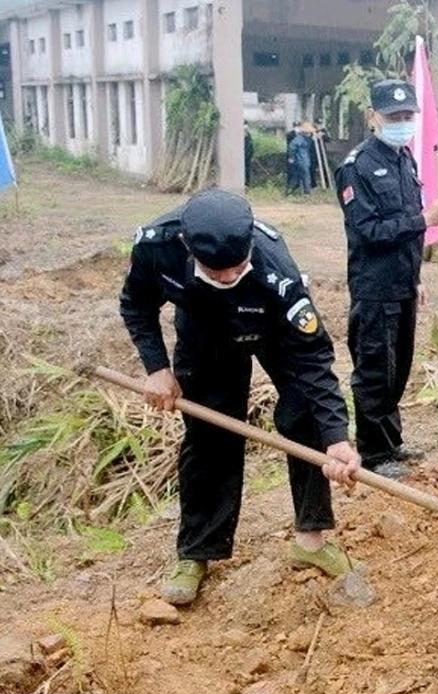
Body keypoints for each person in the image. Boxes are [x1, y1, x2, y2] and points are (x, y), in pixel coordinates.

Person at [119, 190, 361, 606]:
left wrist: (337, 436)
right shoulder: (158, 246)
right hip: (204, 334)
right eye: (218, 272)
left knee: (305, 416)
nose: (230, 277)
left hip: (271, 330)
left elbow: (313, 357)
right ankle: (197, 552)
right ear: (188, 249)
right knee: (210, 434)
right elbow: (136, 305)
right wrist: (157, 367)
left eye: (238, 267)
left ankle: (310, 539)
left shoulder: (276, 267)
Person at [334, 79, 438, 478]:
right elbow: (369, 231)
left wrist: (416, 276)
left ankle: (392, 443)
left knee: (398, 368)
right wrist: (426, 219)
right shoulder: (357, 168)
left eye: (408, 117)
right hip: (374, 288)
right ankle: (373, 454)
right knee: (375, 370)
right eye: (394, 117)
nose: (402, 123)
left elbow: (408, 235)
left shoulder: (406, 159)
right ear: (373, 117)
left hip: (403, 284)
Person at [286, 123, 312, 196]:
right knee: (305, 176)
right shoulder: (299, 139)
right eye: (308, 132)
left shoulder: (306, 139)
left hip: (303, 160)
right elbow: (291, 147)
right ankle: (307, 193)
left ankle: (289, 191)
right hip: (301, 160)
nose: (310, 133)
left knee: (296, 176)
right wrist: (291, 157)